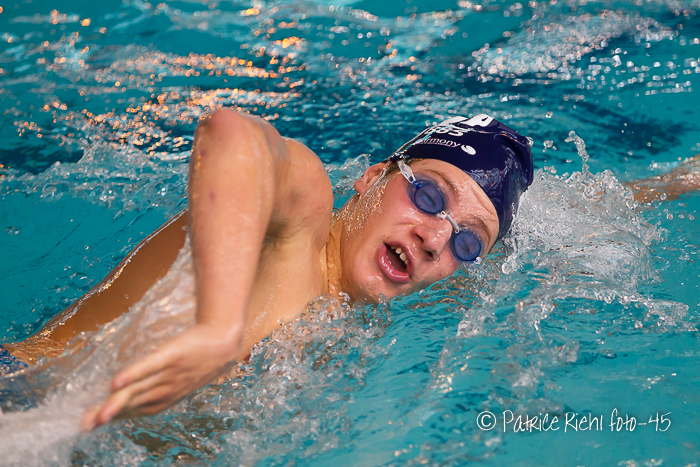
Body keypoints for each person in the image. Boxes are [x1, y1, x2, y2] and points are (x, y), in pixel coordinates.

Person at [1, 110, 694, 430]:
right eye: (428, 196)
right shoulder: (297, 221)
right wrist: (217, 326)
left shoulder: (354, 316)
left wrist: (678, 182)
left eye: (467, 243)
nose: (434, 239)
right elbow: (231, 134)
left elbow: (566, 214)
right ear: (370, 177)